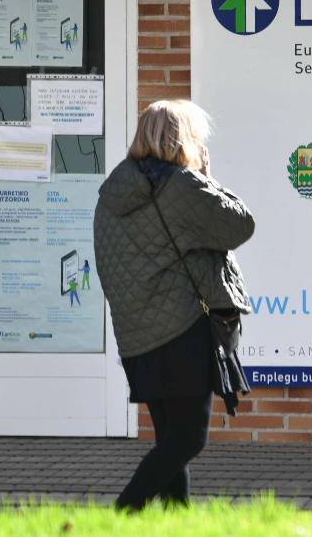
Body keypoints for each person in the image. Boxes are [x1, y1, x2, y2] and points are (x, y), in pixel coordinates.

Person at [94, 100, 254, 511]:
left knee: (170, 439)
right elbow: (240, 225)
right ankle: (124, 512)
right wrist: (206, 177)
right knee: (188, 439)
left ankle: (175, 521)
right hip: (183, 331)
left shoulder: (113, 191)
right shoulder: (181, 185)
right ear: (182, 139)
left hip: (138, 336)